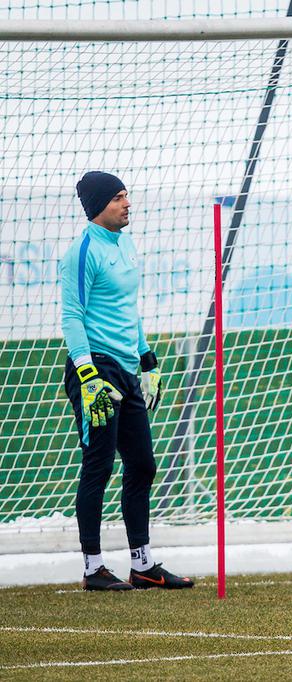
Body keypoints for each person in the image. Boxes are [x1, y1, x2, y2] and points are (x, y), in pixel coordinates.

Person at [60, 171, 193, 591]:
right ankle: (92, 568)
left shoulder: (127, 244)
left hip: (125, 369)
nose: (127, 203)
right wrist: (87, 375)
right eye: (119, 198)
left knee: (142, 464)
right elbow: (72, 316)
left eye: (127, 196)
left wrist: (148, 360)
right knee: (97, 465)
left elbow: (128, 311)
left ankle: (142, 564)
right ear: (100, 205)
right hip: (94, 371)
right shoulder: (82, 251)